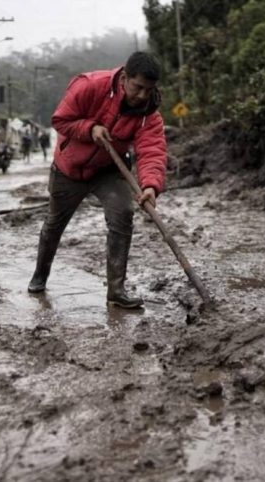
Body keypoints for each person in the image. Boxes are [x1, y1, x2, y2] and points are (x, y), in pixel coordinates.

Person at [27, 51, 167, 309]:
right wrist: (89, 128)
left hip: (109, 171)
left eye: (149, 89)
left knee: (123, 214)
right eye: (138, 87)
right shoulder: (90, 85)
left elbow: (152, 151)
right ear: (124, 77)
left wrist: (150, 186)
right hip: (69, 168)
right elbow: (60, 120)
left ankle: (116, 290)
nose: (142, 95)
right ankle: (40, 275)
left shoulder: (149, 112)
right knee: (54, 225)